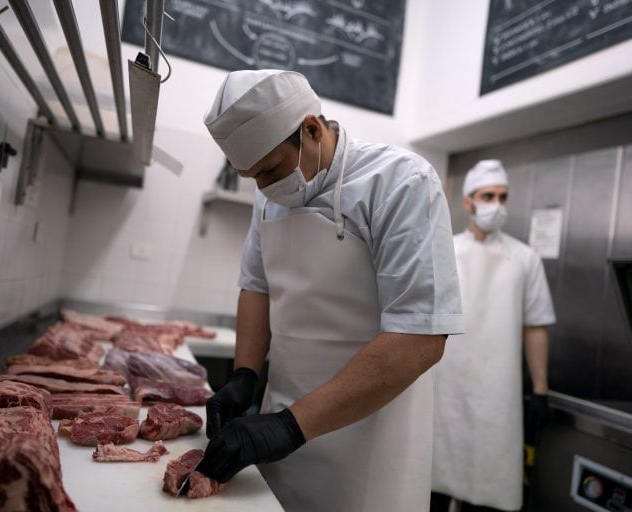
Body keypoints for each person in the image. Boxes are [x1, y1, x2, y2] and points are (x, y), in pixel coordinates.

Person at [195, 69, 464, 511]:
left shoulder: (401, 181)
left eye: (270, 171)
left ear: (312, 129)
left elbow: (421, 338)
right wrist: (244, 375)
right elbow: (256, 287)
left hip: (370, 438)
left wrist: (290, 426)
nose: (263, 188)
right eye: (252, 177)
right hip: (280, 430)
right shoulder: (270, 196)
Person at [430, 160, 556, 512]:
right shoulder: (444, 251)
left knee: (488, 486)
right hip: (444, 388)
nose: (496, 205)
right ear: (468, 202)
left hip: (497, 395)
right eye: (488, 196)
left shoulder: (524, 258)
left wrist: (540, 390)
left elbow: (536, 325)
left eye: (503, 197)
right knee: (430, 483)